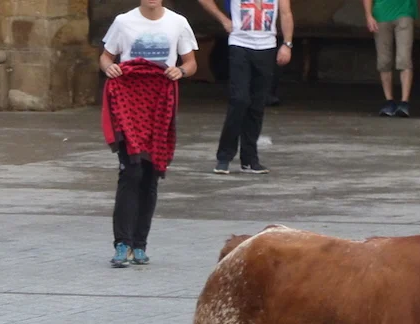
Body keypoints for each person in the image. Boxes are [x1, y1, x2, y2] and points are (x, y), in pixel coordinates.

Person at [100, 0, 198, 268]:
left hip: (159, 103)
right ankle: (122, 243)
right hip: (128, 102)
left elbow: (191, 63)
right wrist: (109, 67)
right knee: (130, 171)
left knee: (150, 174)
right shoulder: (123, 21)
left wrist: (180, 70)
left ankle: (140, 244)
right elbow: (106, 56)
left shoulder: (178, 23)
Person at [200, 0, 294, 174]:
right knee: (239, 99)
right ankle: (224, 157)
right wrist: (223, 19)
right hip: (240, 45)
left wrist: (287, 44)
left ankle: (250, 160)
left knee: (258, 104)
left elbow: (286, 13)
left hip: (267, 47)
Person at [363, 0, 417, 117]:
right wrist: (369, 16)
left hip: (404, 13)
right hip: (381, 15)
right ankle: (389, 100)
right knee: (384, 61)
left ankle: (404, 102)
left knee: (404, 59)